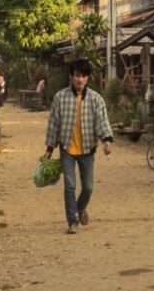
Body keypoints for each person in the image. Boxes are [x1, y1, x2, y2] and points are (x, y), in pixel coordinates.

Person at [42, 58, 114, 233]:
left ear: (88, 78)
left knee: (88, 187)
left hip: (87, 149)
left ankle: (80, 208)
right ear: (71, 77)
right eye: (76, 76)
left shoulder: (96, 99)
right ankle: (72, 221)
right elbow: (54, 124)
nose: (79, 80)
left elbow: (102, 122)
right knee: (70, 186)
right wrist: (49, 149)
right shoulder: (60, 97)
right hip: (67, 147)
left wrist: (106, 140)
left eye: (83, 76)